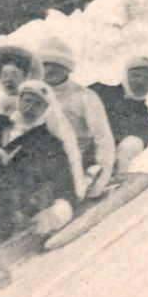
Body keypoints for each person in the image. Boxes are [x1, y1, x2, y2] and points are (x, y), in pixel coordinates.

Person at [0, 79, 83, 238]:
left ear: (45, 109)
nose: (30, 107)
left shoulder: (46, 138)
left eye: (37, 104)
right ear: (20, 100)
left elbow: (64, 169)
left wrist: (64, 206)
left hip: (28, 195)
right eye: (27, 101)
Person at [36, 36, 115, 199]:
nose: (50, 70)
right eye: (45, 65)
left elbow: (103, 138)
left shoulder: (84, 97)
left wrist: (102, 178)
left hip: (79, 159)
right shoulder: (34, 98)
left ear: (67, 68)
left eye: (56, 65)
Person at [90, 55, 148, 174]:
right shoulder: (98, 91)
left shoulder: (147, 121)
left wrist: (122, 159)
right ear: (126, 75)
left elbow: (128, 150)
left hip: (99, 169)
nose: (141, 82)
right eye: (136, 75)